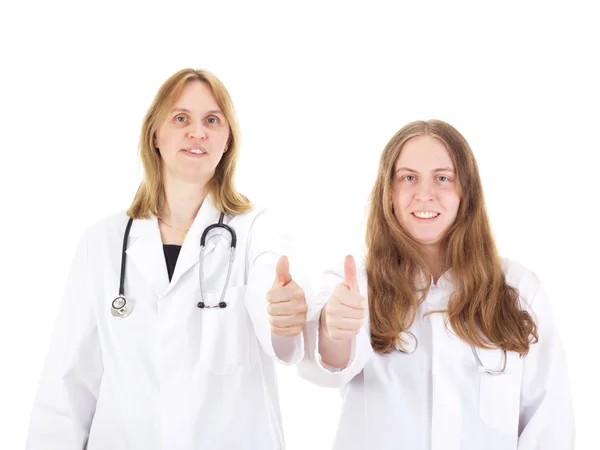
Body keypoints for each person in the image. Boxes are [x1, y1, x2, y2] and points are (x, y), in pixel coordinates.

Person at [27, 68, 312, 450]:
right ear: (155, 135)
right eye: (181, 119)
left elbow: (276, 313)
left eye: (212, 120)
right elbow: (68, 382)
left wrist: (282, 315)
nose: (198, 132)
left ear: (227, 140)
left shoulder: (257, 229)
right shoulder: (103, 242)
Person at [299, 120, 574, 450]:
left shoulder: (519, 289)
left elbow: (549, 424)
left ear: (465, 192)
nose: (424, 194)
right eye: (408, 178)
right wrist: (333, 327)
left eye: (442, 178)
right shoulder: (354, 284)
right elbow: (328, 367)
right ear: (389, 192)